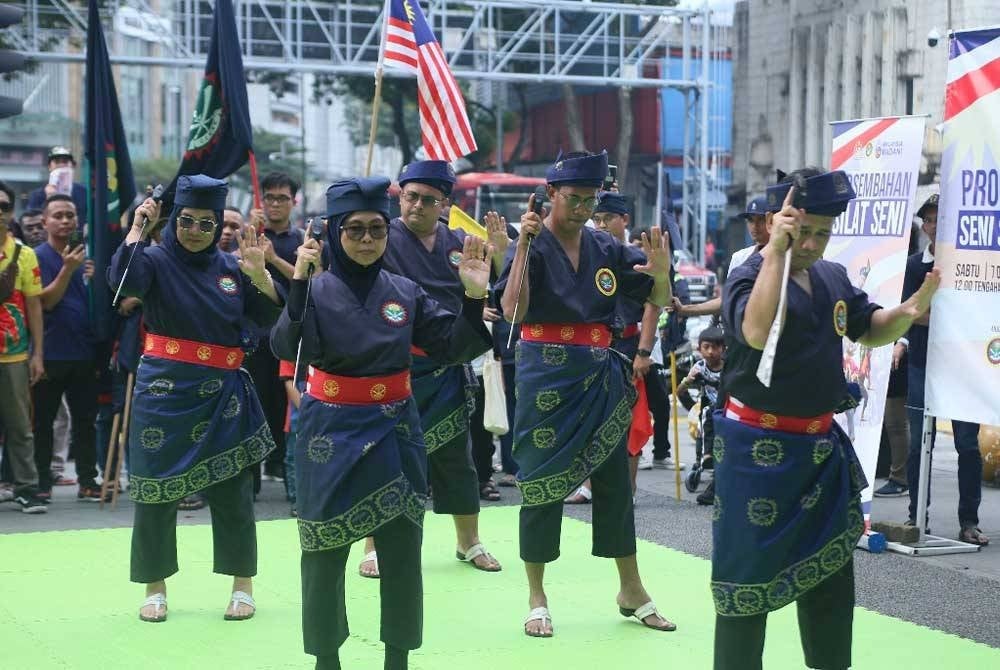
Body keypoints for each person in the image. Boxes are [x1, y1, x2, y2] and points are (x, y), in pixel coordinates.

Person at [713, 168, 941, 670]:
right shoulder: (749, 273)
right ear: (777, 222)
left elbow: (870, 329)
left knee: (831, 583)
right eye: (805, 231)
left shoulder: (832, 276)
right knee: (745, 585)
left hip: (819, 451)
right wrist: (776, 249)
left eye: (823, 232)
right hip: (756, 452)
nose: (814, 243)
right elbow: (754, 330)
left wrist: (908, 309)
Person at [270, 176, 493, 670]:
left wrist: (473, 297)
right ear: (333, 233)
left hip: (396, 428)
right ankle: (326, 658)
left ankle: (398, 658)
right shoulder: (315, 288)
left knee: (401, 552)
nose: (368, 239)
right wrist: (299, 284)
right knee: (324, 552)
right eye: (355, 230)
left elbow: (454, 345)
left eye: (376, 229)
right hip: (328, 431)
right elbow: (287, 348)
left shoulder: (406, 292)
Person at [498, 150, 676, 637]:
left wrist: (660, 272)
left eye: (588, 199)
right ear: (551, 195)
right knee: (540, 482)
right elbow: (513, 310)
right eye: (572, 199)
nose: (580, 208)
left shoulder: (607, 246)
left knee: (614, 481)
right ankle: (536, 595)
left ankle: (631, 588)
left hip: (599, 371)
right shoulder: (528, 243)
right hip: (544, 374)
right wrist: (525, 247)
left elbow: (658, 300)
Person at [109, 175, 282, 623]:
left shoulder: (231, 266)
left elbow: (267, 317)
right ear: (173, 218)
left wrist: (260, 274)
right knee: (154, 492)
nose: (195, 231)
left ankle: (242, 586)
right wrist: (137, 228)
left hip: (222, 395)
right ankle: (155, 586)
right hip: (164, 392)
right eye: (187, 220)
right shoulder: (153, 259)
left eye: (207, 224)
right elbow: (121, 281)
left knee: (233, 493)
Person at [371, 159, 503, 576]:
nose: (417, 206)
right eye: (410, 197)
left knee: (456, 459)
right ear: (400, 196)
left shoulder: (463, 242)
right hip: (394, 363)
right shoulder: (379, 239)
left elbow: (487, 292)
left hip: (446, 366)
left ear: (444, 203)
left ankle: (469, 541)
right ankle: (373, 544)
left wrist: (487, 291)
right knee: (385, 458)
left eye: (429, 199)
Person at [901, 194, 988, 545]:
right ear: (925, 226)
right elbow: (907, 312)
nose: (938, 226)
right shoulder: (913, 265)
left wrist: (932, 319)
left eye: (944, 219)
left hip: (963, 366)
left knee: (967, 445)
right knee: (918, 444)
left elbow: (979, 314)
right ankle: (914, 516)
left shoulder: (971, 263)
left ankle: (969, 521)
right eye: (932, 220)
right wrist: (943, 320)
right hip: (922, 363)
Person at [566, 190, 659, 503]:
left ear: (625, 220)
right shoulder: (589, 253)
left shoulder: (639, 259)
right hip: (593, 345)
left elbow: (652, 305)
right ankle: (590, 485)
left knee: (631, 420)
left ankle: (628, 488)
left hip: (630, 344)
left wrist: (644, 351)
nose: (601, 224)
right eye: (598, 218)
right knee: (592, 417)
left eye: (608, 218)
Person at [31, 194, 104, 501]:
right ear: (45, 221)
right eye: (58, 215)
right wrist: (67, 270)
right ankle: (42, 481)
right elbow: (45, 301)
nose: (64, 221)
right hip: (50, 353)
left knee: (86, 422)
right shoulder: (35, 256)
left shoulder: (89, 258)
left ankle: (88, 480)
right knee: (44, 423)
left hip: (85, 353)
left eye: (70, 216)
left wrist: (94, 278)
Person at [247, 173, 301, 486]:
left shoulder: (300, 240)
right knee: (255, 400)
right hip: (255, 333)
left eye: (282, 198)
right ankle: (252, 472)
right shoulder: (252, 234)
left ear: (293, 202)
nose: (275, 204)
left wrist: (274, 259)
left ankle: (282, 465)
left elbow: (311, 279)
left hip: (290, 335)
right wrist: (250, 234)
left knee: (286, 403)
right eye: (270, 198)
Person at [0, 180, 47, 513]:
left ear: (11, 212)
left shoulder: (24, 254)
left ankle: (27, 488)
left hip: (14, 355)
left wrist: (38, 354)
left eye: (3, 206)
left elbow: (34, 307)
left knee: (20, 426)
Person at [675, 196, 769, 319]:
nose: (755, 226)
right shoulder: (739, 258)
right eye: (750, 220)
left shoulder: (787, 258)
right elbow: (728, 299)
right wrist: (685, 309)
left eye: (761, 220)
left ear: (772, 221)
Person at [677, 326, 725, 505]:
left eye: (716, 347)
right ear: (699, 349)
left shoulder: (728, 367)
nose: (711, 352)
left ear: (723, 348)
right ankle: (706, 456)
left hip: (727, 408)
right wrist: (689, 380)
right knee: (706, 413)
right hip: (707, 409)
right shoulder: (699, 367)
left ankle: (709, 457)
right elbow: (679, 391)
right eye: (707, 347)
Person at [26, 147, 88, 228]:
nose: (61, 165)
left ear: (72, 166)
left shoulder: (84, 192)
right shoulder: (38, 195)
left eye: (65, 162)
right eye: (57, 162)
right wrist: (49, 198)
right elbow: (32, 221)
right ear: (49, 167)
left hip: (77, 237)